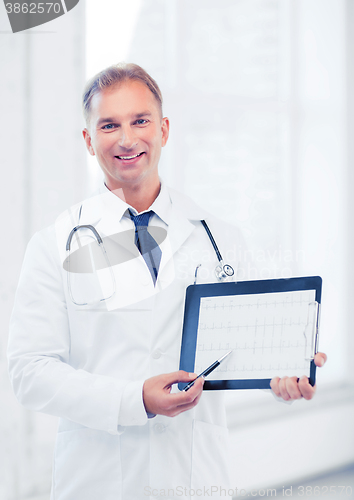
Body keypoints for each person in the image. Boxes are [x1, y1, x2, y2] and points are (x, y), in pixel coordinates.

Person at [8, 63, 327, 500]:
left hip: (194, 480)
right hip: (98, 482)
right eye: (109, 125)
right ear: (88, 140)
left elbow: (248, 351)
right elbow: (30, 372)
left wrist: (281, 376)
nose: (126, 138)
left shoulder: (220, 239)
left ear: (164, 129)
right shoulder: (54, 244)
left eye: (140, 121)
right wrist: (133, 398)